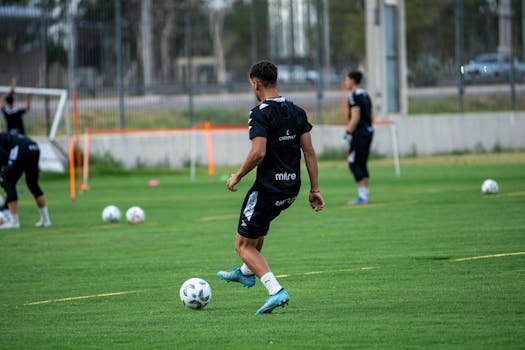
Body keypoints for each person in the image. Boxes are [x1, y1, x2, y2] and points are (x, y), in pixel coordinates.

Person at [217, 60, 325, 315]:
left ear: (255, 83)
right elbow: (308, 152)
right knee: (258, 228)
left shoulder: (260, 113)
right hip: (291, 189)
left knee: (243, 246)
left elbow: (258, 152)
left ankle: (275, 290)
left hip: (267, 188)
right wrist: (315, 189)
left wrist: (238, 176)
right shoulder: (297, 111)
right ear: (275, 81)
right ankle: (245, 273)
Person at [0, 132, 51, 229]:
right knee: (33, 184)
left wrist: (3, 175)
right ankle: (46, 220)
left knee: (8, 182)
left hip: (21, 148)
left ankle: (14, 222)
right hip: (34, 146)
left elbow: (4, 157)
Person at [344, 70, 374, 205]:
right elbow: (371, 116)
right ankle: (365, 196)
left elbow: (355, 117)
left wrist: (347, 134)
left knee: (353, 162)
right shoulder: (366, 95)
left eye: (347, 79)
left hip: (359, 133)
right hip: (369, 131)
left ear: (352, 81)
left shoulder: (354, 96)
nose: (345, 82)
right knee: (362, 162)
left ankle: (362, 197)